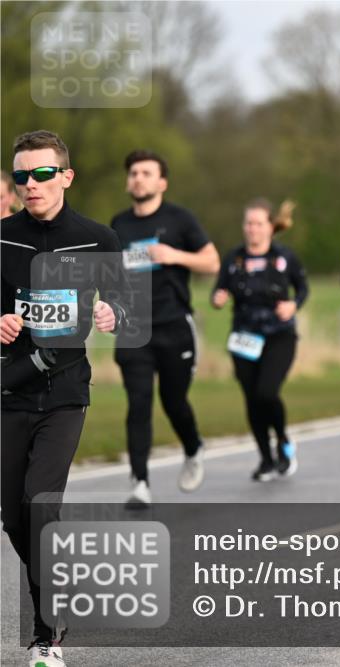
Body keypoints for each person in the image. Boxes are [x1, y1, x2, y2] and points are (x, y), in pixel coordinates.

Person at [2, 130, 129, 667]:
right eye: (22, 176)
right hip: (9, 392)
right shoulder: (2, 238)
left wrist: (112, 312)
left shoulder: (98, 239)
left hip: (65, 392)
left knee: (40, 504)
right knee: (14, 519)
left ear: (66, 177)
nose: (31, 184)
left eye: (42, 173)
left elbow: (127, 305)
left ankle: (46, 635)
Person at [111, 150, 220, 508]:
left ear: (162, 182)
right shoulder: (118, 225)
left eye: (146, 173)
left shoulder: (180, 219)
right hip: (133, 327)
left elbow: (212, 262)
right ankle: (140, 482)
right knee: (138, 402)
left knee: (174, 402)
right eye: (133, 173)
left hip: (174, 326)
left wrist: (174, 255)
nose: (138, 178)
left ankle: (193, 447)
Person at [213, 199, 309, 481]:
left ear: (270, 227)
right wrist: (218, 298)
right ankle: (266, 459)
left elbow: (302, 288)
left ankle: (283, 440)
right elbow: (219, 291)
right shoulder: (234, 258)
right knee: (252, 399)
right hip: (244, 336)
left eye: (258, 223)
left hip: (279, 334)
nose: (252, 229)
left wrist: (293, 305)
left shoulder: (284, 257)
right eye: (248, 223)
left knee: (267, 392)